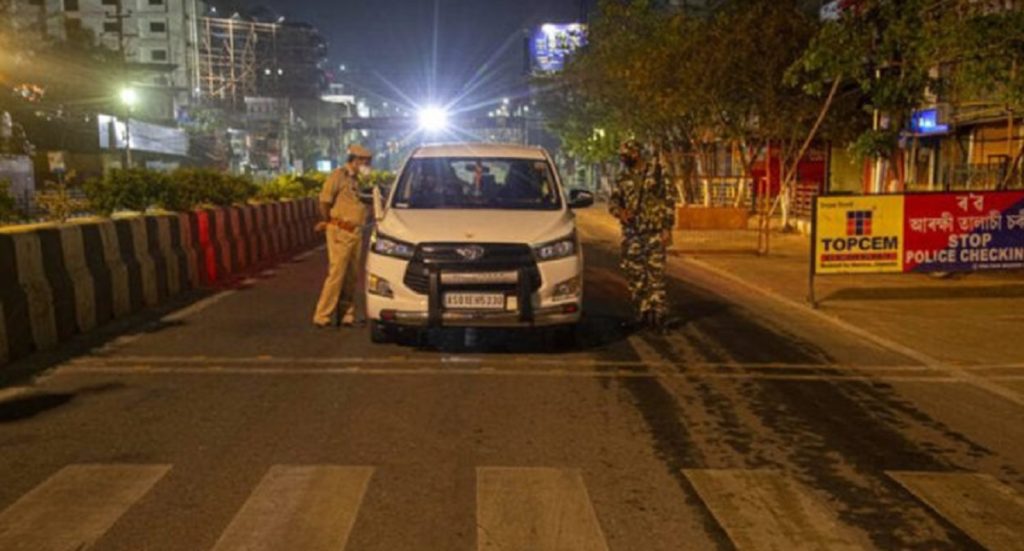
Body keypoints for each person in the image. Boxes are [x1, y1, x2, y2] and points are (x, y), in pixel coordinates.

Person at [609, 140, 676, 331]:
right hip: (632, 233)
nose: (623, 158)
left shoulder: (657, 172)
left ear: (636, 153)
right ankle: (643, 311)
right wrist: (620, 212)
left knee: (656, 275)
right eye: (622, 155)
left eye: (626, 155)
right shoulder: (622, 177)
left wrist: (667, 228)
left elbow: (669, 200)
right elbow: (613, 202)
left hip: (654, 231)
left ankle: (660, 315)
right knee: (635, 274)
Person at [313, 144, 373, 328]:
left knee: (351, 276)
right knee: (337, 274)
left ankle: (346, 314)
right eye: (365, 162)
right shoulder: (338, 176)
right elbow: (324, 201)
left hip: (355, 232)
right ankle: (322, 315)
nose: (368, 166)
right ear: (356, 160)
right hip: (340, 231)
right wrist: (328, 222)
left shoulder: (356, 180)